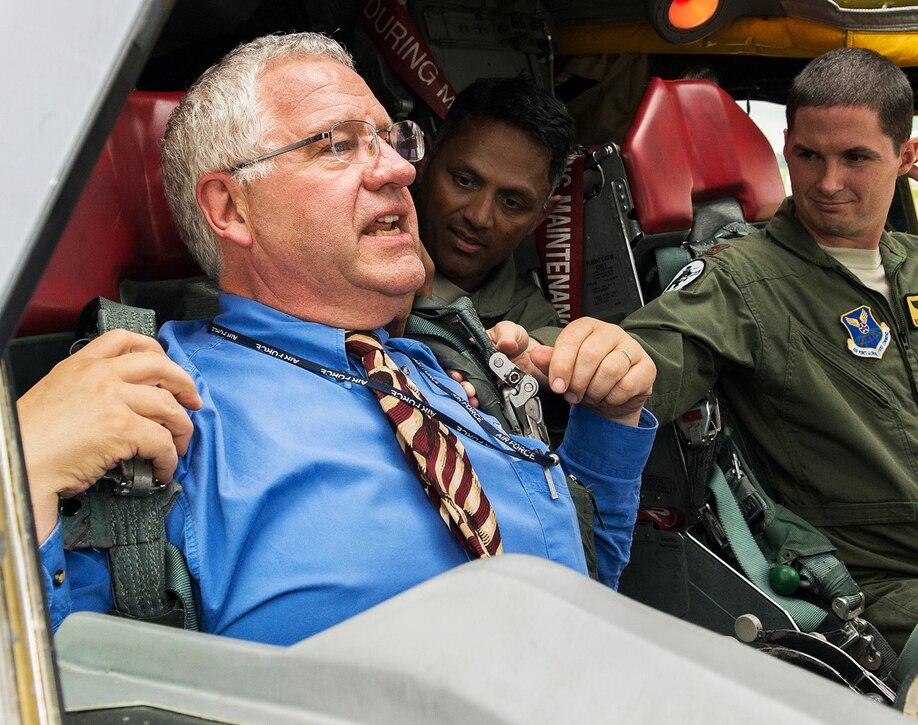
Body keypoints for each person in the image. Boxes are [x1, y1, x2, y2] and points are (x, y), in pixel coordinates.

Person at [34, 32, 657, 646]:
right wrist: (20, 473)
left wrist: (610, 419)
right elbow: (61, 676)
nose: (399, 168)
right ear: (230, 209)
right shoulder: (159, 406)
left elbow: (586, 595)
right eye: (337, 144)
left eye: (389, 138)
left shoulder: (454, 366)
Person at [621, 48, 918, 685]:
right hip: (887, 595)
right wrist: (588, 353)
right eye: (808, 155)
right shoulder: (745, 282)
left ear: (903, 156)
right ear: (786, 147)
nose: (827, 182)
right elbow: (651, 353)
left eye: (856, 158)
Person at [415, 76, 571, 332]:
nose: (479, 217)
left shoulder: (529, 326)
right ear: (425, 160)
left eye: (511, 202)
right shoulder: (352, 237)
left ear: (539, 219)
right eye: (465, 181)